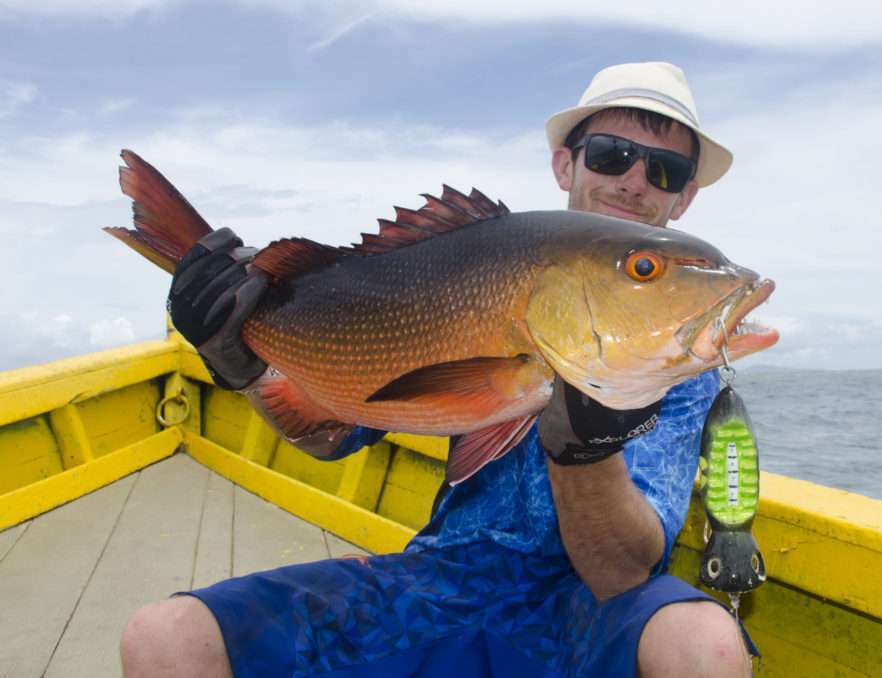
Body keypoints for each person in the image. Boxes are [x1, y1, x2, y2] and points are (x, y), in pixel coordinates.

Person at [121, 62, 758, 678]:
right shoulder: (481, 258)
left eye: (666, 169)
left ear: (684, 198)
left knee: (704, 643)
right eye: (612, 155)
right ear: (567, 162)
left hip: (585, 608)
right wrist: (240, 357)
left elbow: (620, 574)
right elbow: (329, 435)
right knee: (166, 638)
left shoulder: (678, 370)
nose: (635, 181)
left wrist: (584, 449)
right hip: (440, 580)